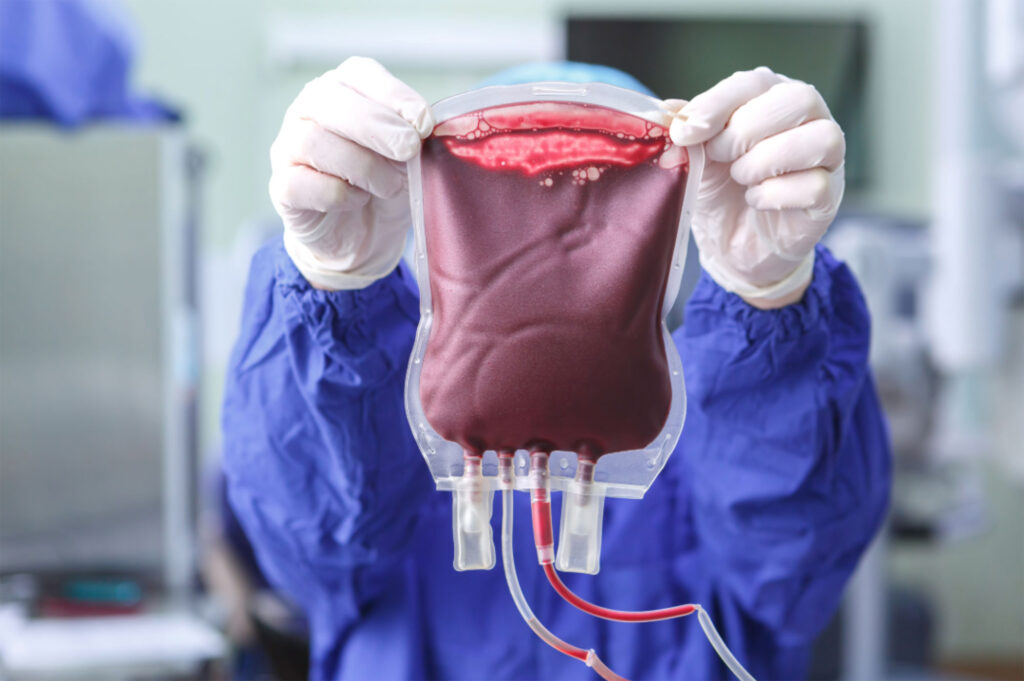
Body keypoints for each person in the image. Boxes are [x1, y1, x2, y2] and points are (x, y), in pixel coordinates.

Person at [222, 57, 891, 680]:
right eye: (517, 212)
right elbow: (309, 545)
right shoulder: (393, 410)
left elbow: (792, 560)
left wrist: (769, 306)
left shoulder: (695, 411)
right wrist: (333, 293)